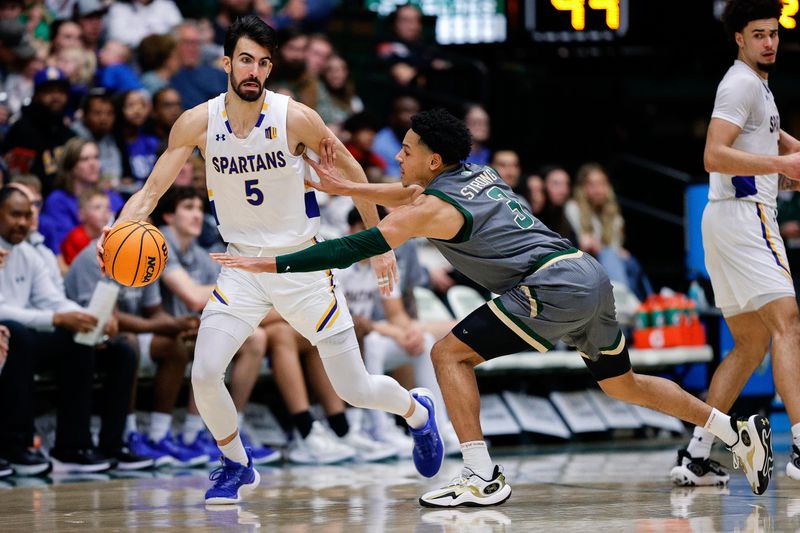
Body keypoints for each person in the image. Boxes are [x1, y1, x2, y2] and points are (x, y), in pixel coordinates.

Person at [212, 109, 777, 505]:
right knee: (621, 384)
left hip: (550, 285)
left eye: (407, 151)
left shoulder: (430, 206)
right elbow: (406, 195)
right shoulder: (474, 175)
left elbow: (359, 244)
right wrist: (348, 191)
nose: (398, 157)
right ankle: (731, 432)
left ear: (434, 160)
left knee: (447, 355)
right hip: (586, 275)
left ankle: (480, 474)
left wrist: (277, 264)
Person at [97, 15, 443, 504]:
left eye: (263, 62)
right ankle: (236, 463)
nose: (254, 70)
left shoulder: (295, 117)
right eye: (245, 60)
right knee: (204, 372)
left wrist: (378, 239)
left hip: (301, 265)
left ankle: (417, 413)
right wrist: (117, 229)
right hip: (241, 266)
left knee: (355, 388)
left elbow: (352, 169)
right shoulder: (197, 122)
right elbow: (151, 191)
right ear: (226, 63)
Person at [669, 0, 800, 488]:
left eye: (774, 33)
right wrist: (784, 167)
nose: (769, 42)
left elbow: (765, 140)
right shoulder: (741, 82)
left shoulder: (757, 89)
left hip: (725, 221)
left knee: (749, 343)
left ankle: (698, 454)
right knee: (788, 324)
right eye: (759, 34)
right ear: (739, 39)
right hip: (746, 220)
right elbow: (713, 155)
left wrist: (787, 154)